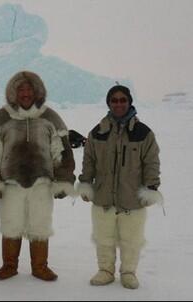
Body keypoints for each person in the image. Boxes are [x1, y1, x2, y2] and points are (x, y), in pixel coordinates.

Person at [0, 71, 76, 281]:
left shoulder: (50, 117)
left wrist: (64, 179)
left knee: (40, 224)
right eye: (21, 90)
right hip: (10, 183)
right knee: (11, 223)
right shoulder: (1, 117)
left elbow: (61, 151)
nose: (25, 94)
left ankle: (40, 266)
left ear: (37, 92)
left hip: (42, 182)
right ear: (13, 93)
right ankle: (9, 265)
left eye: (29, 89)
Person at [77, 85, 163, 289]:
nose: (118, 103)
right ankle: (105, 270)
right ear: (108, 103)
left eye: (122, 99)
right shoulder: (97, 132)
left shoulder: (143, 133)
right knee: (103, 237)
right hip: (103, 197)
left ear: (129, 102)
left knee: (131, 240)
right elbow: (89, 160)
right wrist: (85, 183)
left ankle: (128, 272)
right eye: (114, 100)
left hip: (132, 198)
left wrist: (151, 186)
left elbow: (151, 162)